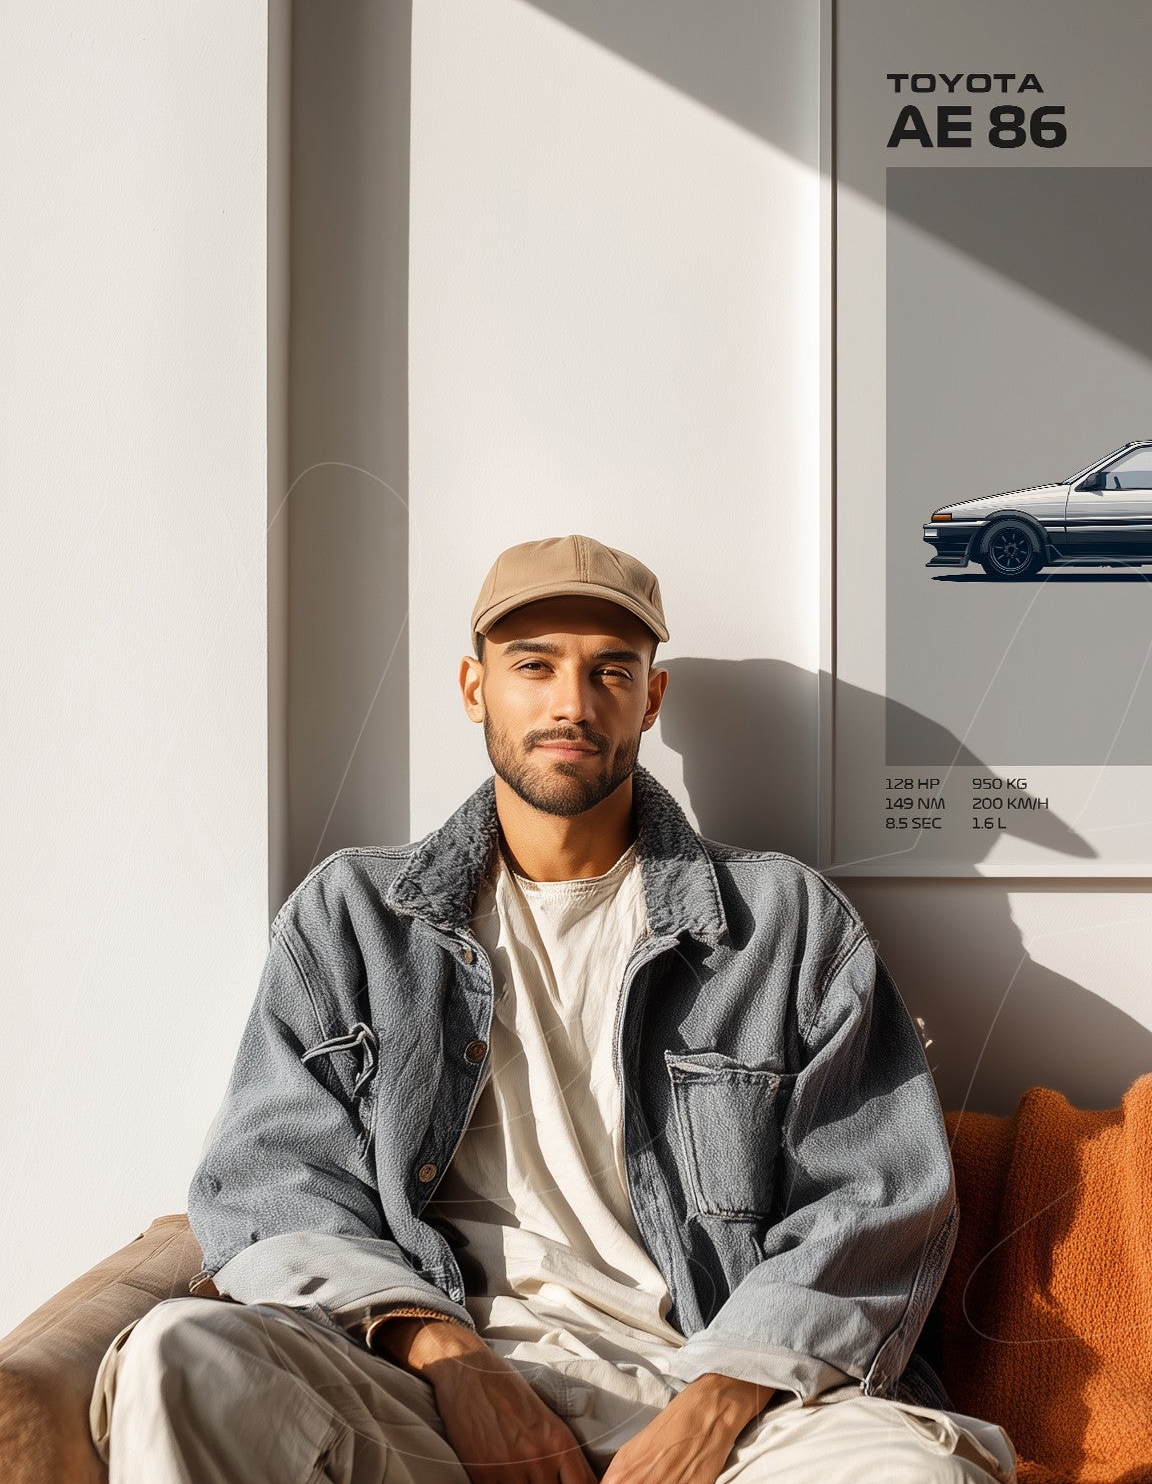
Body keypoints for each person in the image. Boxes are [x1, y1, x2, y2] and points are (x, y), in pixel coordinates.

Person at [92, 534, 1016, 1484]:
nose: (571, 703)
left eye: (609, 670)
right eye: (533, 666)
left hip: (712, 1387)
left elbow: (876, 1199)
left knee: (920, 1473)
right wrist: (454, 1362)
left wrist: (715, 1404)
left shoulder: (780, 921)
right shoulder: (353, 917)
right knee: (177, 1359)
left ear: (650, 697)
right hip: (426, 1394)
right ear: (473, 686)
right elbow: (268, 1183)